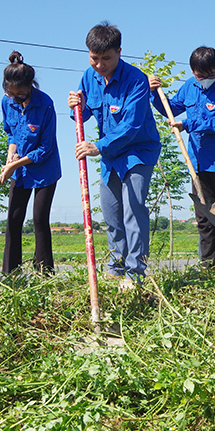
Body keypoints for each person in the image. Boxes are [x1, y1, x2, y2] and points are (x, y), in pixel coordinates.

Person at [67, 22, 161, 289]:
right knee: (111, 214)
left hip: (137, 152)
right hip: (110, 156)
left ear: (119, 52)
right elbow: (85, 114)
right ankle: (116, 266)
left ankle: (135, 272)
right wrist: (77, 106)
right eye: (94, 58)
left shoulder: (137, 81)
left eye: (106, 58)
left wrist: (97, 147)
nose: (99, 64)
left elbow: (130, 126)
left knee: (133, 210)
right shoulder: (89, 76)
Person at [149, 46, 215, 273]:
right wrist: (154, 93)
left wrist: (188, 125)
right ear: (193, 71)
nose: (204, 79)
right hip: (198, 163)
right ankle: (208, 265)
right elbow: (170, 109)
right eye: (199, 75)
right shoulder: (189, 87)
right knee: (204, 216)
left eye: (209, 74)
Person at [0, 51, 62, 275]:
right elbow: (12, 134)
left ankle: (44, 273)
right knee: (13, 220)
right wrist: (10, 155)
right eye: (11, 94)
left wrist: (15, 165)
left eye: (21, 93)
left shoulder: (45, 104)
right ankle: (10, 275)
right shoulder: (8, 103)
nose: (17, 97)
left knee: (39, 220)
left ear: (30, 85)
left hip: (45, 170)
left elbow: (45, 149)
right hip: (20, 171)